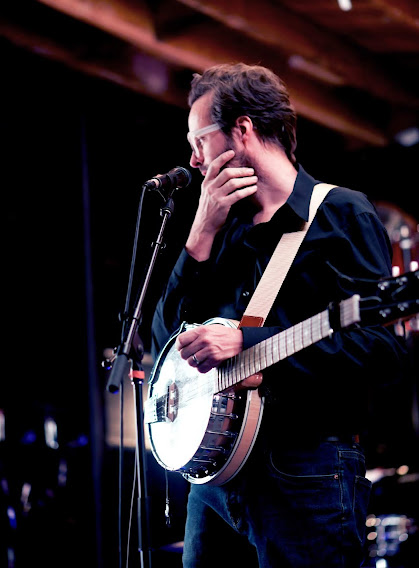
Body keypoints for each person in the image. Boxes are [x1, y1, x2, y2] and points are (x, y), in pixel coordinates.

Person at [150, 63, 404, 568]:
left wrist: (252, 344)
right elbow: (164, 340)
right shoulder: (224, 230)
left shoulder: (342, 213)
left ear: (242, 130)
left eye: (198, 139)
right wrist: (199, 233)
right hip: (217, 483)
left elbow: (383, 350)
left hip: (308, 471)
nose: (194, 159)